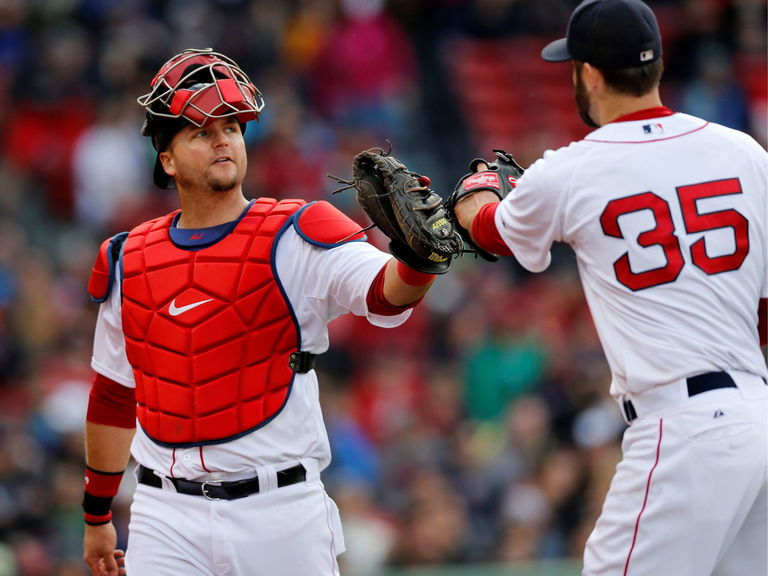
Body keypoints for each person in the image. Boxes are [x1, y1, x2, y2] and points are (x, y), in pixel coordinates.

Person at [81, 48, 444, 576]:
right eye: (201, 131)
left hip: (281, 512)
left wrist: (418, 260)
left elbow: (385, 293)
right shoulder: (125, 258)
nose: (222, 139)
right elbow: (114, 394)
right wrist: (97, 515)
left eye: (232, 126)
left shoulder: (298, 230)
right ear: (167, 158)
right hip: (165, 513)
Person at [450, 1, 768, 574]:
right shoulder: (743, 152)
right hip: (757, 415)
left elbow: (490, 233)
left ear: (590, 73)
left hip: (682, 428)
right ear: (657, 67)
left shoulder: (574, 169)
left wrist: (474, 192)